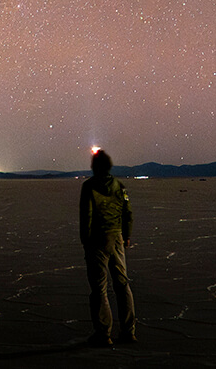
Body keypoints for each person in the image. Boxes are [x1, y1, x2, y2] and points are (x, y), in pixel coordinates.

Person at [79, 148, 136, 346]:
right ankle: (129, 332)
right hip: (117, 239)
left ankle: (103, 334)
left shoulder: (89, 186)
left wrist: (85, 241)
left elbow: (86, 216)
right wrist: (126, 236)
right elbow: (128, 213)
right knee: (122, 285)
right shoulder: (119, 186)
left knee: (99, 288)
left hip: (97, 242)